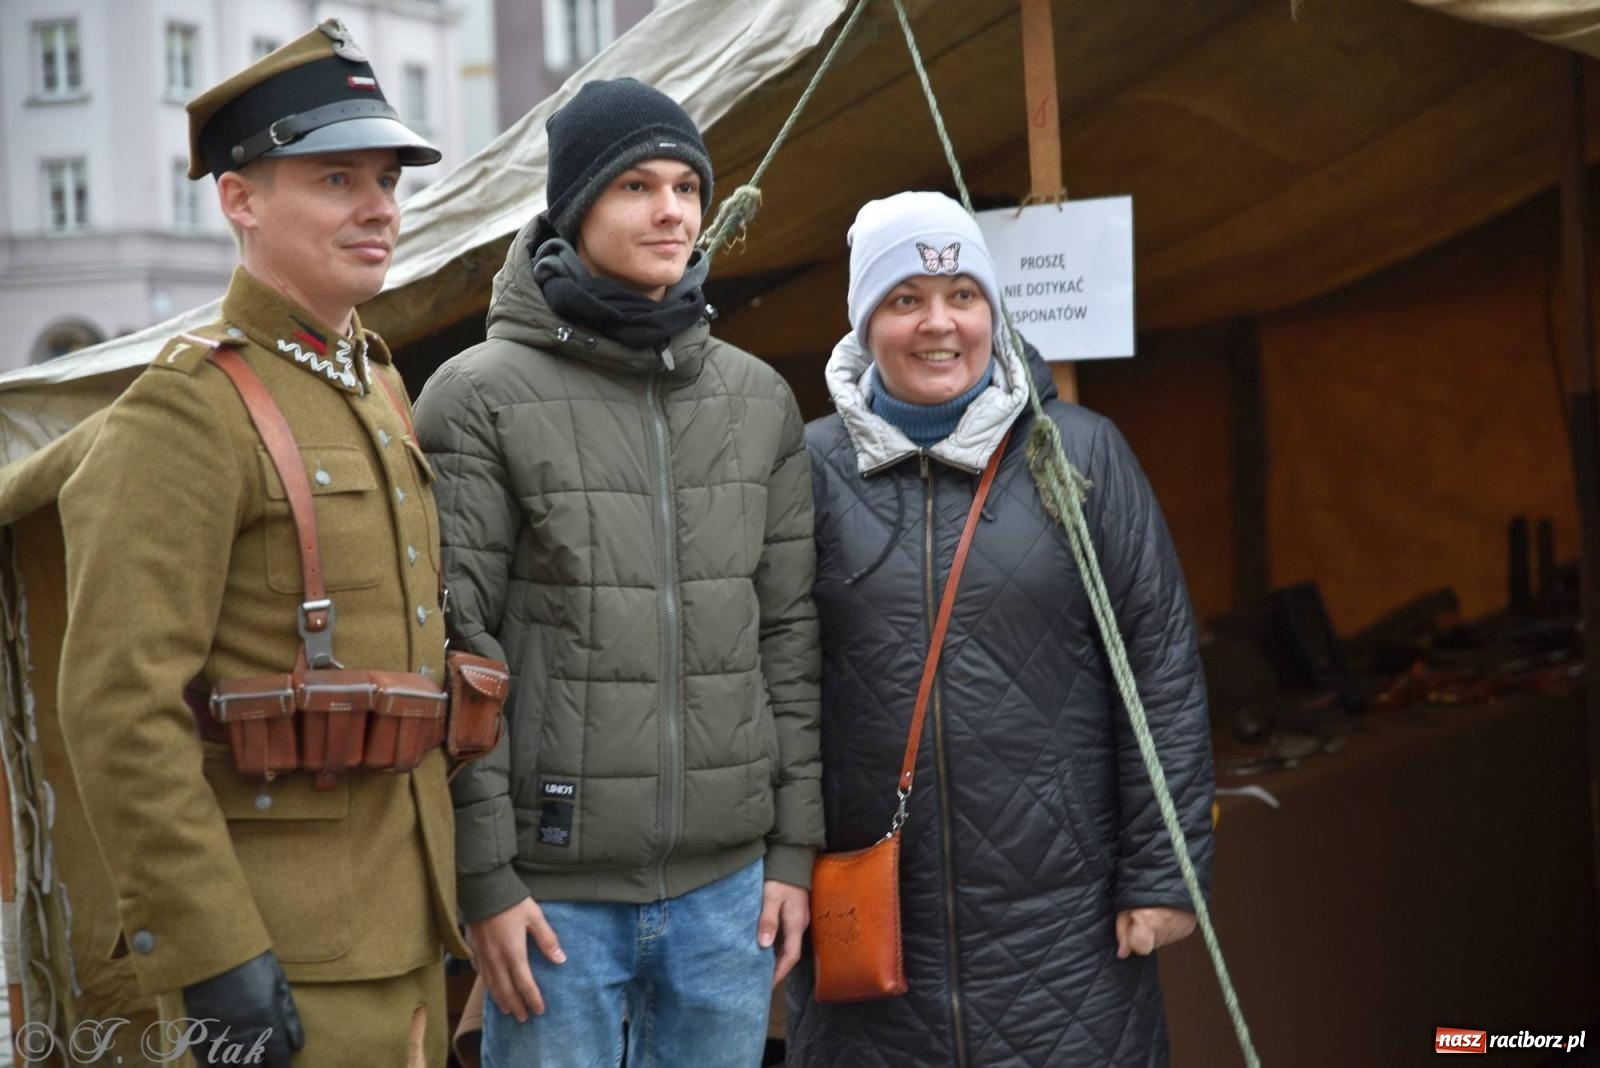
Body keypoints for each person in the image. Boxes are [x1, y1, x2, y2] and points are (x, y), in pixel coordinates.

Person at [56, 22, 468, 1067]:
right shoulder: (187, 411)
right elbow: (119, 708)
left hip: (407, 929)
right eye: (337, 179)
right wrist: (212, 952)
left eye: (385, 179)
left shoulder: (376, 381)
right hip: (277, 951)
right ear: (240, 199)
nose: (379, 206)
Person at [413, 78, 823, 1067]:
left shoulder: (757, 399)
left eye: (686, 185)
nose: (672, 209)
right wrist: (486, 883)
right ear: (573, 206)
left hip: (731, 897)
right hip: (551, 902)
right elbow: (453, 652)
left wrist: (793, 852)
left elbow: (789, 637)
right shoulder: (476, 397)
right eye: (636, 185)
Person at [786, 191, 1215, 1067]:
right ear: (865, 321)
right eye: (905, 299)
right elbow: (765, 677)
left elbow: (1160, 665)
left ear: (993, 309)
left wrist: (1165, 873)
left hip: (1066, 926)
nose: (939, 325)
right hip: (869, 929)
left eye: (963, 297)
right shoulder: (805, 468)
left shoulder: (1080, 453)